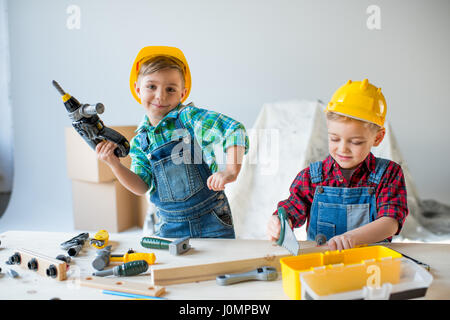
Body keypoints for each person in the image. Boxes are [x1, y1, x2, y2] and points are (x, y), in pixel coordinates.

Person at [96, 46, 249, 238]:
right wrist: (114, 164)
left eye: (170, 89)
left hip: (212, 220)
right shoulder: (141, 141)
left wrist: (230, 171)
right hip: (170, 225)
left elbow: (234, 129)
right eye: (151, 86)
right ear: (137, 89)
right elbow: (142, 186)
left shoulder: (189, 118)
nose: (160, 96)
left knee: (217, 267)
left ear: (182, 94)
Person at [266, 79, 408, 250]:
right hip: (322, 262)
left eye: (355, 142)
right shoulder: (311, 176)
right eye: (334, 138)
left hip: (370, 261)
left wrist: (352, 237)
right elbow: (293, 207)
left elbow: (391, 221)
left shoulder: (389, 173)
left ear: (377, 138)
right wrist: (280, 221)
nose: (343, 149)